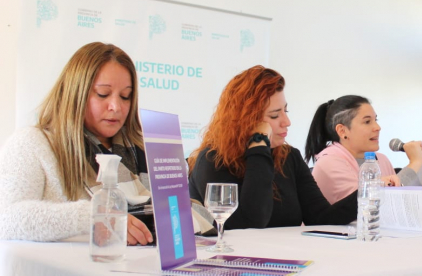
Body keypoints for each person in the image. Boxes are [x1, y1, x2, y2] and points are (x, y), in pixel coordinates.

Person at [0, 42, 153, 245]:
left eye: (126, 96)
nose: (116, 106)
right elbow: (7, 219)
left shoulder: (144, 151)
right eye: (103, 94)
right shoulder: (32, 144)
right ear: (75, 93)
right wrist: (94, 215)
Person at [188, 66, 357, 229]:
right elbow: (250, 222)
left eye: (286, 111)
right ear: (247, 120)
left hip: (285, 256)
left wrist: (371, 192)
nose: (286, 122)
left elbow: (320, 217)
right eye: (275, 115)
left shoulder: (289, 157)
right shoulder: (213, 159)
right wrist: (258, 144)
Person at [304, 95, 422, 204]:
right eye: (367, 122)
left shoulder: (382, 160)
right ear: (342, 131)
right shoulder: (329, 162)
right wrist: (415, 163)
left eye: (375, 120)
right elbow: (366, 204)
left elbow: (397, 207)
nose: (377, 127)